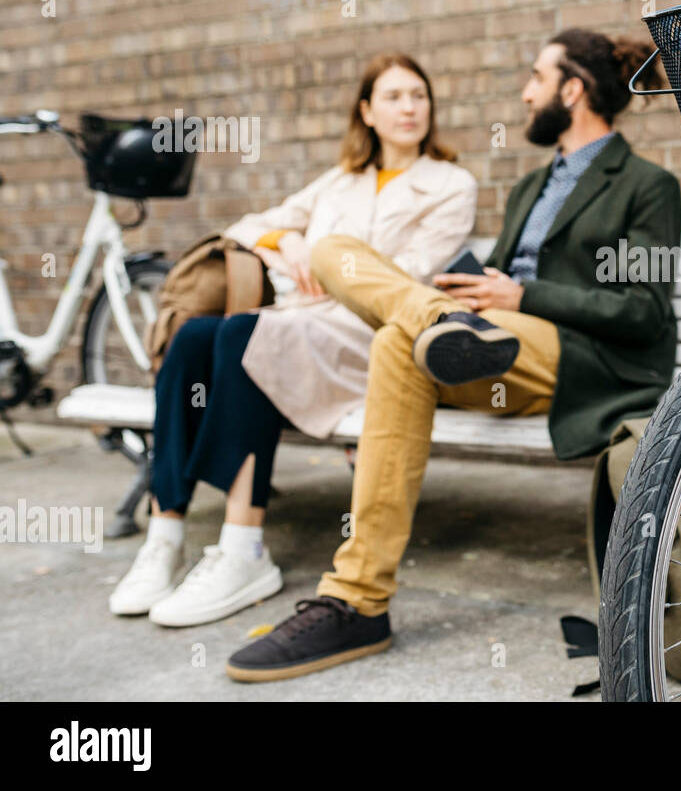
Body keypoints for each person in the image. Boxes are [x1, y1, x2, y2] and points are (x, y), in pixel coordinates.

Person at [225, 28, 681, 681]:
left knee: (399, 335)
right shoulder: (530, 186)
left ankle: (357, 593)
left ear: (572, 90)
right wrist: (463, 293)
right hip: (490, 344)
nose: (526, 94)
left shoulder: (646, 184)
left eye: (535, 77)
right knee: (338, 259)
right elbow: (488, 277)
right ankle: (358, 602)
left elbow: (645, 314)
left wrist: (523, 295)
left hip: (585, 358)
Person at [108, 54, 478, 628]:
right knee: (191, 340)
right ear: (367, 112)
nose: (410, 108)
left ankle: (243, 547)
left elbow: (411, 276)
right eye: (394, 97)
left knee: (245, 335)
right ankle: (165, 532)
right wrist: (289, 241)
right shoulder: (341, 181)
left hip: (369, 337)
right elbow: (245, 227)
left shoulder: (450, 184)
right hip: (303, 326)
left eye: (419, 96)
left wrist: (324, 266)